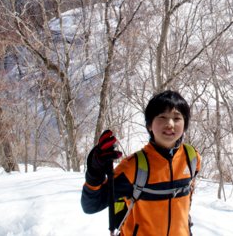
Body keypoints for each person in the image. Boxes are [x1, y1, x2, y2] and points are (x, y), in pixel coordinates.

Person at [81, 90, 201, 235]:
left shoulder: (192, 158)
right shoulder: (134, 167)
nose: (170, 124)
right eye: (162, 117)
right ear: (149, 125)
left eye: (177, 118)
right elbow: (91, 206)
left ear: (185, 124)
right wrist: (95, 170)